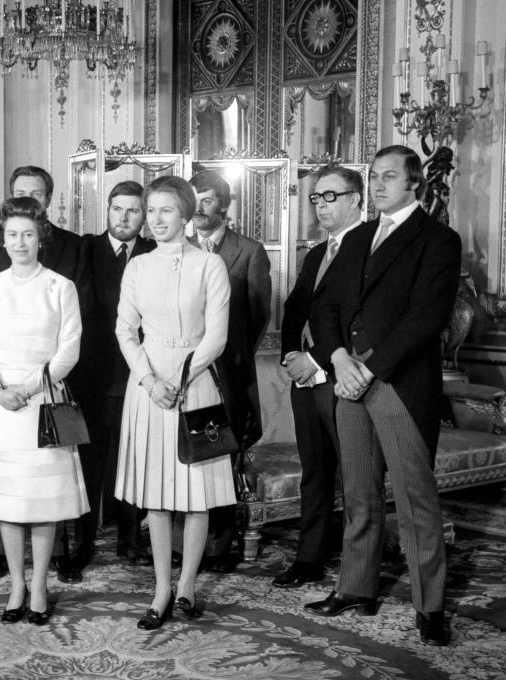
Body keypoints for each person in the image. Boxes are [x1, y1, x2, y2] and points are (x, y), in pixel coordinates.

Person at [305, 145, 462, 647]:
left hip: (399, 383)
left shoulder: (438, 239)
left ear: (413, 182)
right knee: (359, 493)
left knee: (416, 501)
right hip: (349, 379)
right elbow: (324, 306)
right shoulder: (357, 238)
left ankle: (430, 606)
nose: (376, 185)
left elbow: (426, 318)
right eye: (373, 177)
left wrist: (367, 368)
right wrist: (338, 360)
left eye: (388, 177)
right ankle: (357, 587)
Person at [0, 196, 89, 625]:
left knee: (42, 500)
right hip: (1, 408)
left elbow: (69, 350)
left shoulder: (59, 287)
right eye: (12, 235)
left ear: (40, 236)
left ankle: (40, 588)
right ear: (2, 238)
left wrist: (28, 388)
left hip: (43, 401)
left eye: (27, 234)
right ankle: (16, 583)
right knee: (9, 501)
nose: (20, 242)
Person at [115, 176, 234, 630]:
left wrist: (183, 378)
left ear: (187, 216)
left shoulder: (210, 266)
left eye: (167, 210)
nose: (157, 219)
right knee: (157, 494)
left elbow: (217, 337)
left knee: (196, 493)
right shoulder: (138, 267)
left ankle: (187, 586)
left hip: (196, 380)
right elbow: (125, 331)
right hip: (148, 385)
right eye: (152, 211)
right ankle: (161, 588)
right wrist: (148, 379)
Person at [273, 165, 362, 589]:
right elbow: (295, 310)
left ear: (355, 199)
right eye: (316, 198)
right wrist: (293, 354)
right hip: (306, 380)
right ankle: (309, 558)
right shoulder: (315, 253)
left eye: (331, 196)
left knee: (357, 474)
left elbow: (358, 322)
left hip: (345, 378)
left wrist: (318, 361)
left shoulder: (368, 247)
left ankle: (358, 568)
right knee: (315, 470)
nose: (321, 206)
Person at [187, 169, 271, 572]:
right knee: (186, 457)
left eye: (206, 200)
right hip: (185, 374)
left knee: (220, 457)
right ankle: (183, 545)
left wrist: (231, 359)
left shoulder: (249, 252)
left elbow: (258, 315)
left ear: (223, 204)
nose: (199, 208)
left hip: (229, 375)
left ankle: (219, 547)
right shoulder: (175, 247)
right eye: (194, 200)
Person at [74, 181, 156, 570]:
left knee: (133, 459)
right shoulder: (85, 250)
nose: (123, 218)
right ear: (107, 211)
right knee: (89, 461)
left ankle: (130, 540)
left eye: (133, 211)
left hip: (139, 374)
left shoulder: (154, 253)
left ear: (144, 217)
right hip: (91, 374)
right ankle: (83, 542)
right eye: (117, 209)